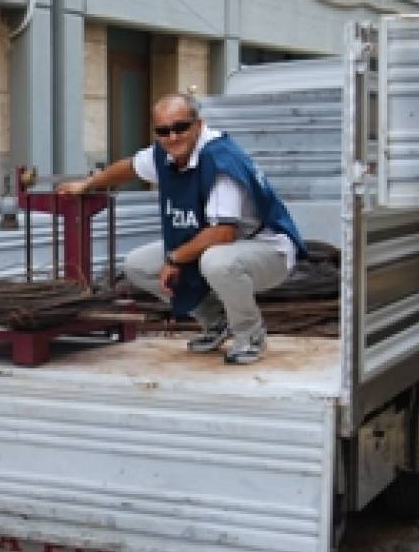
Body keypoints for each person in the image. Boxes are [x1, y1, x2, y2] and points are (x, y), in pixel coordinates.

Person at [59, 93, 306, 364]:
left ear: (198, 125)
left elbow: (224, 233)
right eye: (163, 131)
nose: (173, 137)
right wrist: (88, 184)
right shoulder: (164, 155)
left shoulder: (219, 160)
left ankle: (250, 335)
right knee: (137, 265)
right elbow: (128, 168)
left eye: (181, 127)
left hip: (267, 250)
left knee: (217, 262)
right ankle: (217, 322)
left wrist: (175, 258)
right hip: (219, 245)